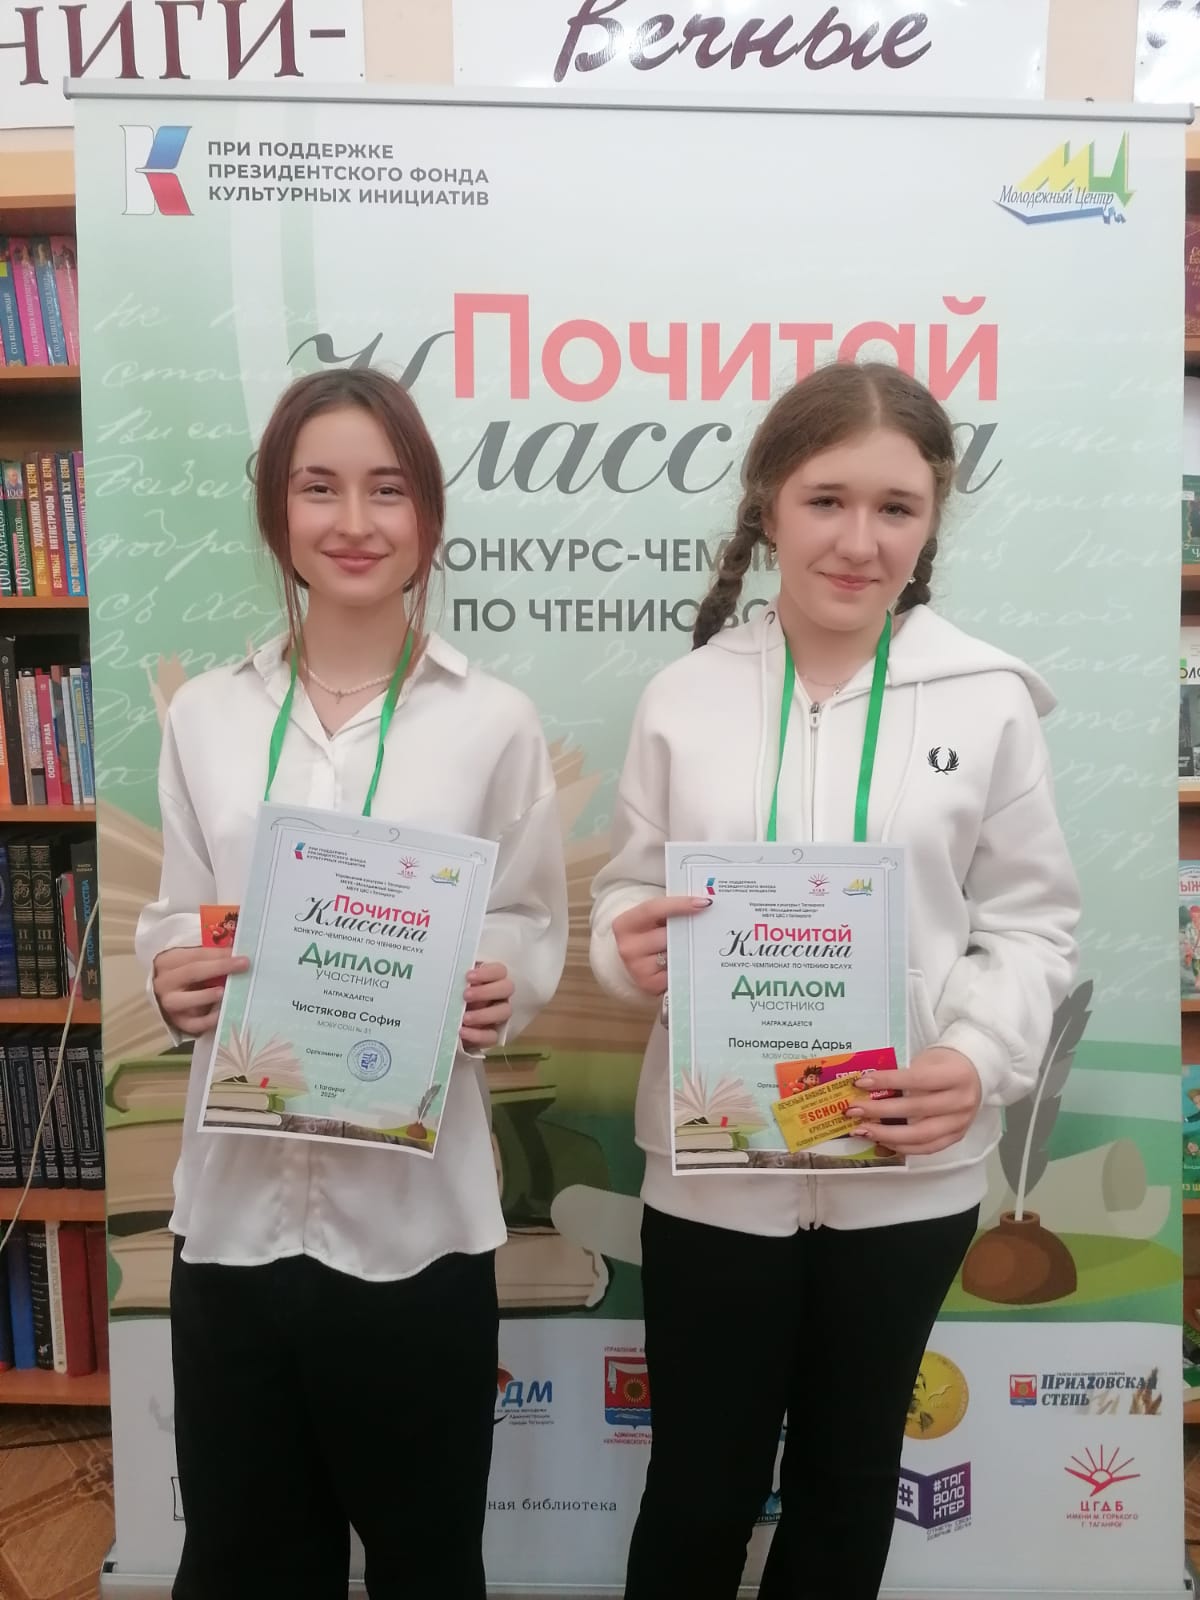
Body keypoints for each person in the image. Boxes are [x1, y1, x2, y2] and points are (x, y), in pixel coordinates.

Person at [589, 361, 1080, 1600]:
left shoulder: (990, 700)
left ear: (932, 520)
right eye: (826, 501)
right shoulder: (685, 696)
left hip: (908, 1179)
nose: (860, 542)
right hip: (715, 1178)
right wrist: (624, 944)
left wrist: (977, 1056)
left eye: (896, 507)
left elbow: (1033, 923)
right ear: (768, 503)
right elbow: (625, 890)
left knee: (850, 1483)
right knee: (697, 1485)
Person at [135, 367, 568, 1600]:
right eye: (318, 487)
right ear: (277, 511)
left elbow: (531, 916)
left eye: (388, 488)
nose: (355, 521)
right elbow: (178, 906)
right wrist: (170, 970)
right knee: (244, 1560)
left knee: (428, 1561)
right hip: (236, 1223)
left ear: (427, 511)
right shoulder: (207, 715)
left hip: (416, 1229)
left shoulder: (494, 721)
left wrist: (502, 984)